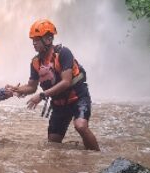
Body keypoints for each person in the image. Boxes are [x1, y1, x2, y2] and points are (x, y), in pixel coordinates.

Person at [9, 19, 100, 151]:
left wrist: (42, 95)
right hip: (59, 104)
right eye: (33, 40)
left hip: (77, 98)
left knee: (80, 126)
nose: (34, 43)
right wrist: (17, 89)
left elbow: (66, 81)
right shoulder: (35, 62)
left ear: (48, 39)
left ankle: (97, 158)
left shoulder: (63, 53)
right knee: (53, 143)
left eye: (37, 40)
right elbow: (32, 86)